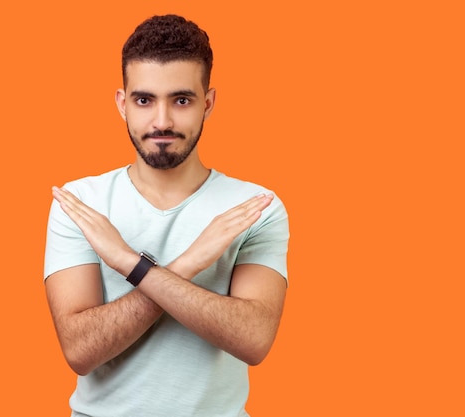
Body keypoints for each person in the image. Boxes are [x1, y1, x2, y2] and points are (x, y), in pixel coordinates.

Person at [44, 14, 289, 417]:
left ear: (207, 103)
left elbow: (254, 340)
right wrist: (190, 262)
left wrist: (128, 262)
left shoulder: (254, 207)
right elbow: (80, 349)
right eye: (144, 100)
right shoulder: (81, 203)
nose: (162, 121)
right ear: (122, 104)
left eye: (181, 100)